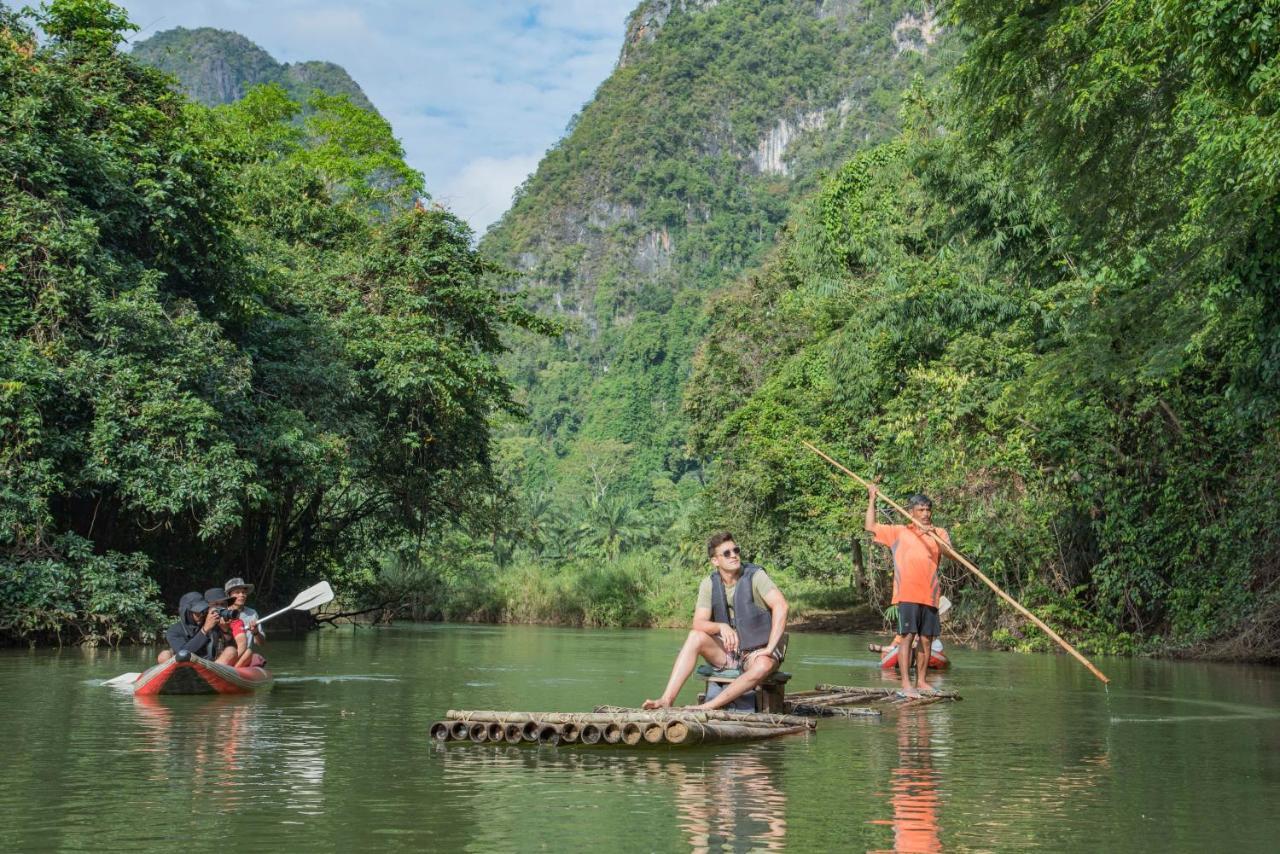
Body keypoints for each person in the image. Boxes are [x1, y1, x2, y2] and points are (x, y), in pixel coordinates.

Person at [643, 532, 789, 711]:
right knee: (695, 636)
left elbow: (781, 606)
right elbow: (698, 623)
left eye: (736, 550)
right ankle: (666, 700)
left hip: (758, 651)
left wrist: (770, 648)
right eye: (726, 553)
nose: (734, 555)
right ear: (715, 561)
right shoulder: (709, 584)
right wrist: (721, 626)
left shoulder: (755, 576)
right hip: (729, 652)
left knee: (763, 665)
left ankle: (710, 706)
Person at [865, 486, 950, 697]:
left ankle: (921, 681)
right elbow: (870, 526)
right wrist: (872, 499)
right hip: (908, 595)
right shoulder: (899, 532)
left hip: (930, 596)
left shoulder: (939, 533)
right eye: (921, 510)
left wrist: (934, 537)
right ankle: (906, 683)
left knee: (927, 639)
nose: (926, 514)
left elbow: (950, 553)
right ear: (911, 512)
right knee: (907, 636)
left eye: (928, 510)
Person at [158, 592, 223, 663]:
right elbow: (183, 653)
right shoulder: (174, 631)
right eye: (197, 612)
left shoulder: (212, 622)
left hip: (209, 664)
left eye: (203, 611)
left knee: (230, 651)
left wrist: (225, 629)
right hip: (184, 664)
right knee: (164, 655)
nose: (201, 615)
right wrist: (205, 630)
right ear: (186, 613)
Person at [223, 577, 265, 667]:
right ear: (229, 596)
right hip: (226, 655)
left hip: (244, 657)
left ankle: (233, 671)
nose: (242, 595)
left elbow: (261, 643)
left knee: (249, 652)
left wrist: (256, 632)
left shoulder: (252, 613)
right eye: (237, 592)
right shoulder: (222, 613)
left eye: (244, 592)